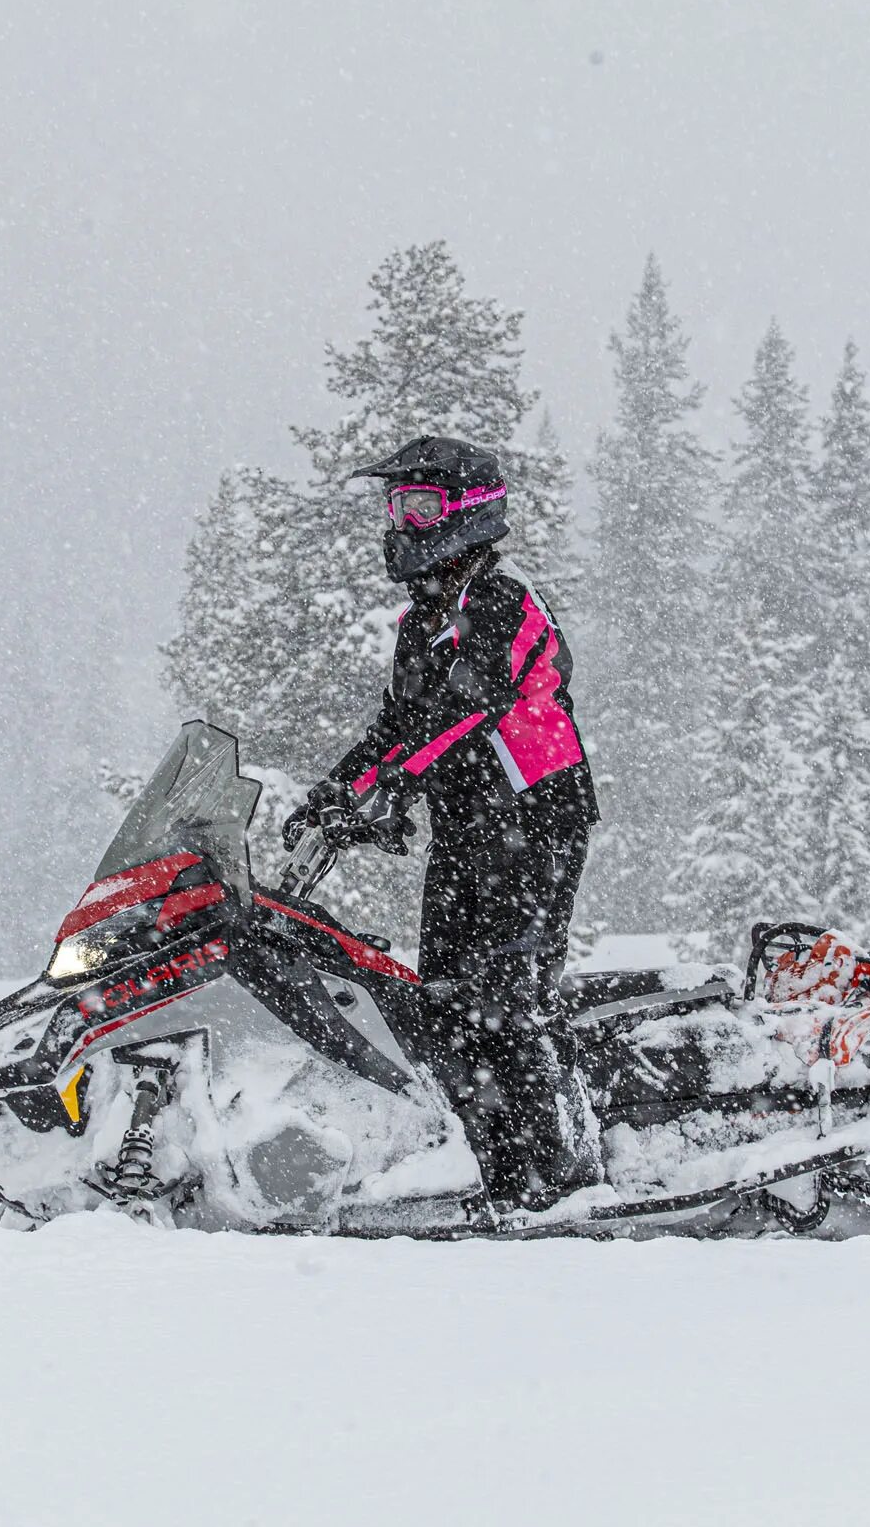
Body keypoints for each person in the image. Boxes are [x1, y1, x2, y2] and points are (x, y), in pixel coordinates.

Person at [282, 435, 604, 1212]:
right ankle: (491, 1168)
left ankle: (555, 1175)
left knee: (505, 994)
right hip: (466, 831)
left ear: (468, 512)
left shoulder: (503, 599)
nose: (402, 522)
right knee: (446, 1003)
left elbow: (473, 704)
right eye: (396, 507)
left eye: (418, 506)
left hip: (535, 818)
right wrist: (337, 791)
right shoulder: (418, 623)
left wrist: (396, 780)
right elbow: (400, 724)